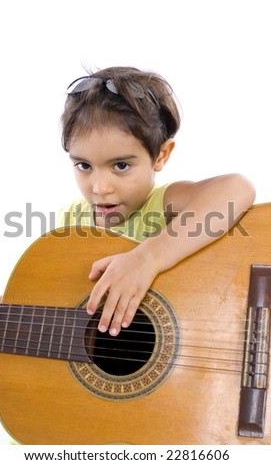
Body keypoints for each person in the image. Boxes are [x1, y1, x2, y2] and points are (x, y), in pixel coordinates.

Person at [58, 66, 256, 337]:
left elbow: (237, 188)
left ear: (161, 155)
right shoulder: (70, 223)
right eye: (83, 165)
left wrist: (148, 258)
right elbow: (46, 299)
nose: (100, 188)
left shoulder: (162, 205)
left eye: (121, 165)